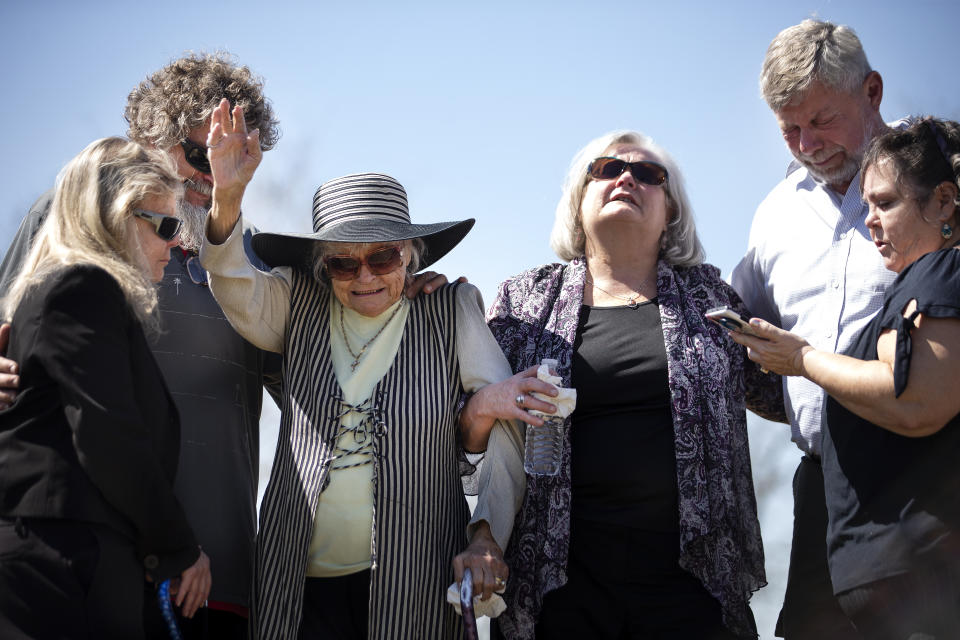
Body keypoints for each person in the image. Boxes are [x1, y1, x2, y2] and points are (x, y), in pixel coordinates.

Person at [199, 99, 542, 639]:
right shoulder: (298, 301)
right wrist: (227, 198)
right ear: (321, 265)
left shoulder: (451, 308)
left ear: (411, 254)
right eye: (343, 261)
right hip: (295, 585)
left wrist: (485, 534)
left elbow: (506, 425)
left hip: (418, 584)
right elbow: (237, 288)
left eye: (382, 257)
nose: (365, 276)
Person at [0, 52, 283, 638]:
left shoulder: (257, 261)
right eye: (202, 152)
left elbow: (328, 383)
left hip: (214, 573)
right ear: (148, 137)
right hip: (83, 553)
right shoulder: (70, 227)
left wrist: (407, 290)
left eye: (238, 155)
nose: (215, 172)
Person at [465, 129, 783, 640]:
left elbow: (783, 392)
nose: (627, 178)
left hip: (690, 582)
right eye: (608, 169)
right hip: (559, 582)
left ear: (671, 211)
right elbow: (468, 430)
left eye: (648, 174)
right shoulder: (525, 301)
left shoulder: (711, 297)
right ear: (578, 199)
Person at [730, 117, 960, 639]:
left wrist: (803, 360)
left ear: (944, 202)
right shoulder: (920, 280)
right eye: (868, 205)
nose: (870, 221)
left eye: (886, 203)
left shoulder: (944, 273)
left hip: (922, 588)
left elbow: (917, 403)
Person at [730, 19, 908, 639]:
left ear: (873, 91)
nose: (806, 144)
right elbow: (747, 341)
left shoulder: (939, 182)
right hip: (822, 489)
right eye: (788, 129)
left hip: (931, 478)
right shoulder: (774, 214)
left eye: (822, 120)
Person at [0, 137, 210, 639]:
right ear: (115, 216)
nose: (175, 242)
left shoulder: (63, 291)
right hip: (60, 567)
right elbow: (108, 434)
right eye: (164, 224)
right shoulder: (82, 287)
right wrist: (180, 547)